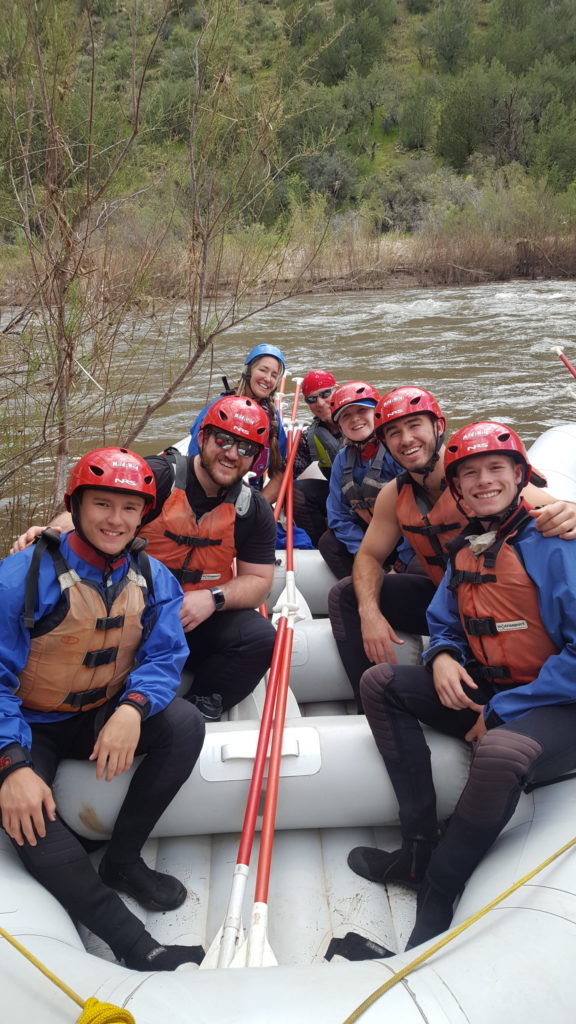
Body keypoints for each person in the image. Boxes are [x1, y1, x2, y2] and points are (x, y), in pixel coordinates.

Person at [347, 421, 576, 950]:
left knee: (499, 750)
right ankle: (418, 846)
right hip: (498, 690)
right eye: (469, 474)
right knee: (381, 682)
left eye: (496, 469)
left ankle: (438, 893)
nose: (483, 482)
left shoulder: (558, 542)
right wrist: (444, 657)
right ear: (457, 489)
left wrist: (501, 711)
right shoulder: (468, 546)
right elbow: (446, 622)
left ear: (521, 476)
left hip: (560, 703)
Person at [0, 448, 206, 971]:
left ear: (144, 515)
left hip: (100, 709)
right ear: (76, 505)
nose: (116, 520)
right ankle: (135, 944)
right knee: (27, 815)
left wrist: (133, 708)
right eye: (102, 504)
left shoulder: (154, 577)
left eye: (129, 509)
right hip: (30, 724)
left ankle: (122, 861)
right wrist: (11, 760)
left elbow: (165, 657)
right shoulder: (20, 578)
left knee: (184, 724)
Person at [12, 397, 278, 722]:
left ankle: (200, 707)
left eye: (246, 448)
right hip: (134, 608)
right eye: (223, 440)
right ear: (203, 437)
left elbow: (259, 583)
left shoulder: (254, 511)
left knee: (259, 636)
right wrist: (49, 532)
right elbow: (100, 509)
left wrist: (212, 598)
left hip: (193, 615)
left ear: (255, 457)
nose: (232, 453)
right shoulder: (160, 476)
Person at [328, 386, 576, 705]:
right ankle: (366, 702)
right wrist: (370, 614)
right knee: (347, 594)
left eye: (415, 425)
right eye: (394, 432)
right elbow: (370, 556)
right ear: (385, 443)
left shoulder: (479, 480)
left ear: (439, 427)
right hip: (447, 603)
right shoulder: (394, 495)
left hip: (503, 607)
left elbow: (552, 514)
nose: (406, 439)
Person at [318, 381, 411, 583]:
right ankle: (363, 587)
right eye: (346, 415)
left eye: (362, 410)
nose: (355, 419)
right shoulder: (342, 460)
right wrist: (365, 554)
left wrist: (400, 564)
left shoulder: (398, 451)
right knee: (329, 542)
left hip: (407, 541)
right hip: (372, 541)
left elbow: (418, 516)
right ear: (339, 424)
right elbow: (338, 516)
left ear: (377, 414)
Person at [187, 344, 288, 504]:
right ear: (248, 372)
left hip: (249, 497)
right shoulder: (219, 408)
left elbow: (280, 473)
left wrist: (255, 506)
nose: (268, 378)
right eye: (263, 370)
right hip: (209, 495)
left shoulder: (273, 419)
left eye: (274, 375)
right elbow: (193, 463)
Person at [292, 369, 342, 547]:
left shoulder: (359, 420)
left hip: (371, 492)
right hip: (337, 493)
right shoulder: (309, 437)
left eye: (325, 394)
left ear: (337, 390)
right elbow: (289, 473)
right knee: (297, 490)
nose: (320, 403)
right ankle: (320, 545)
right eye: (311, 399)